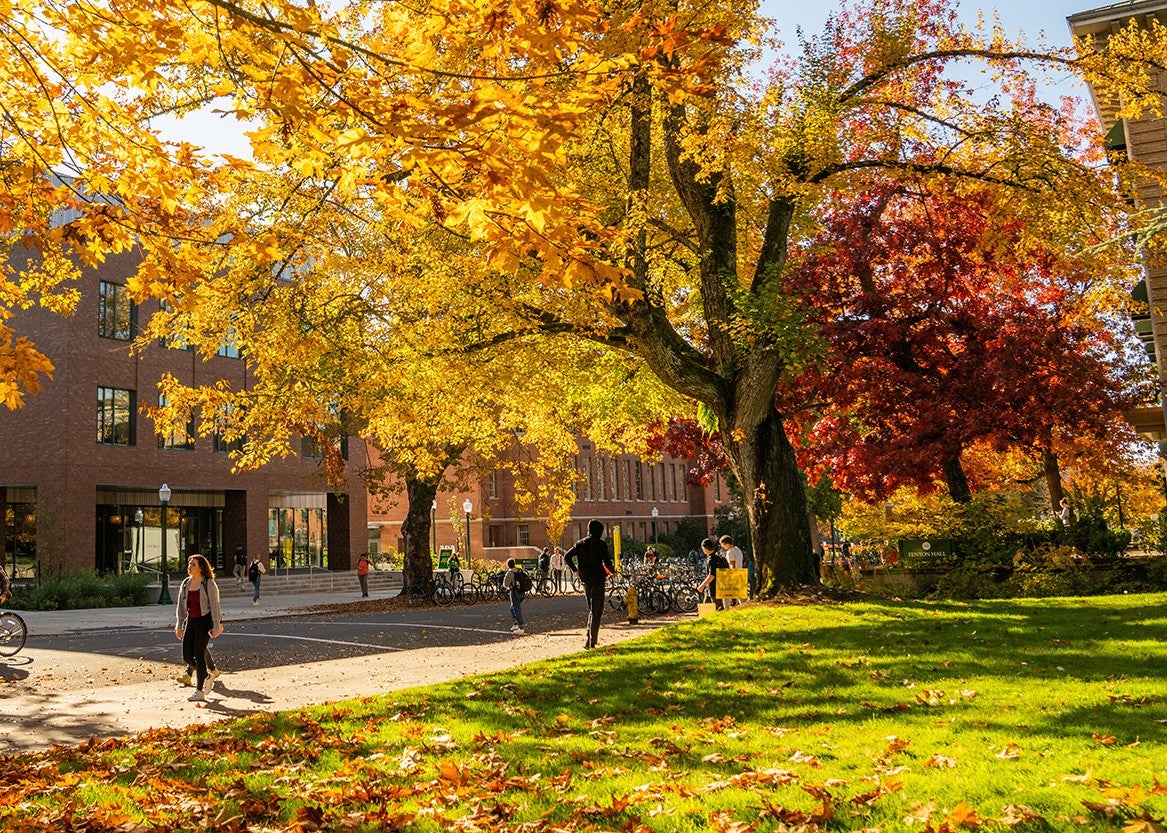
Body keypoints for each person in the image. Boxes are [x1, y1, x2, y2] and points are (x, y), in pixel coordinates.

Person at [174, 554, 224, 702]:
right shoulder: (186, 583)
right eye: (189, 564)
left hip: (205, 621)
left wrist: (216, 624)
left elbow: (215, 605)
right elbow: (180, 606)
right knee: (187, 656)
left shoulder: (208, 583)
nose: (190, 566)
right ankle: (207, 675)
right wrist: (179, 624)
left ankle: (199, 691)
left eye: (193, 564)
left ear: (201, 567)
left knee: (198, 653)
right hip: (191, 621)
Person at [565, 519, 614, 649]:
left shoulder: (580, 544)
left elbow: (567, 557)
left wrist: (576, 570)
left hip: (585, 579)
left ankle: (590, 638)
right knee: (596, 610)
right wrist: (613, 572)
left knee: (591, 608)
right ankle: (591, 640)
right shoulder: (601, 544)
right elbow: (607, 562)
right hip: (598, 578)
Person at [697, 538, 729, 611]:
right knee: (706, 608)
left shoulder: (712, 560)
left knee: (718, 608)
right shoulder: (716, 558)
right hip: (713, 588)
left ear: (704, 548)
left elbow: (712, 575)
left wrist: (702, 585)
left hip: (714, 588)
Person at [502, 558, 526, 635]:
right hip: (522, 592)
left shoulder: (510, 573)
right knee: (512, 607)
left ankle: (521, 627)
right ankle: (515, 624)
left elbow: (505, 584)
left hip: (514, 592)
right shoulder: (519, 570)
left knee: (516, 609)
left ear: (508, 565)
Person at [719, 535, 744, 606]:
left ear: (726, 544)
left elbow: (732, 564)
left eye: (722, 545)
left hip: (733, 574)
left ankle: (726, 610)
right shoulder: (737, 549)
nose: (722, 547)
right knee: (740, 596)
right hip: (740, 573)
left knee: (725, 595)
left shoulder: (730, 552)